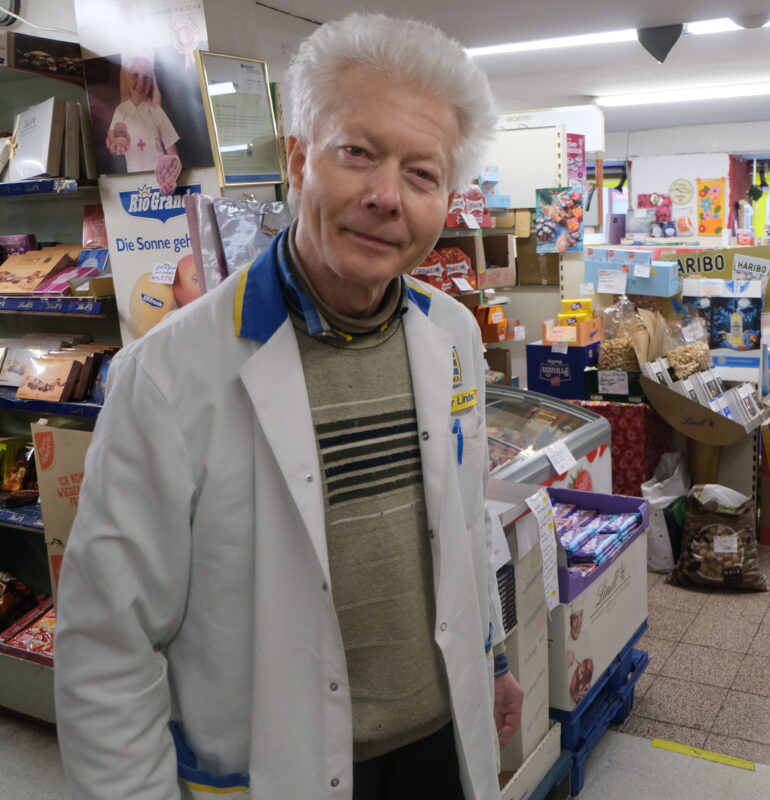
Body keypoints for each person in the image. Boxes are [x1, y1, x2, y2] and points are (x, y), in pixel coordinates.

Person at [56, 14, 522, 800]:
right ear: (300, 158)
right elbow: (108, 644)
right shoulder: (169, 375)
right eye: (358, 154)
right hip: (277, 766)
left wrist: (498, 660)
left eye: (422, 173)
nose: (385, 197)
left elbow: (466, 520)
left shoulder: (452, 336)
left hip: (440, 747)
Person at [105, 49, 181, 186]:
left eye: (147, 77)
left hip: (160, 179)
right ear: (125, 77)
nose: (141, 83)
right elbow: (112, 141)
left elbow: (173, 154)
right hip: (134, 182)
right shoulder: (120, 111)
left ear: (152, 81)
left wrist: (170, 177)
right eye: (135, 74)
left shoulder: (156, 111)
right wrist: (115, 145)